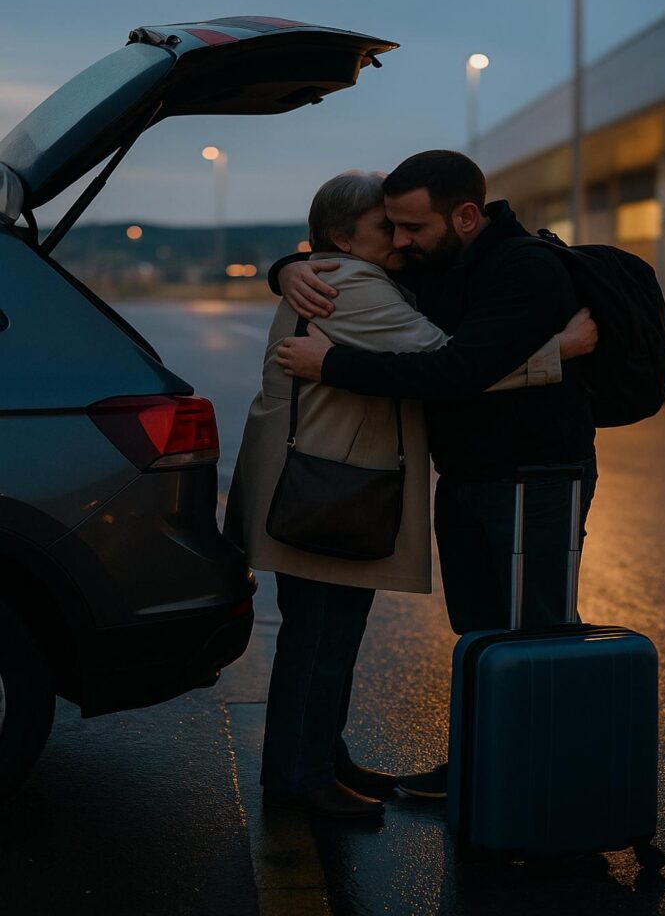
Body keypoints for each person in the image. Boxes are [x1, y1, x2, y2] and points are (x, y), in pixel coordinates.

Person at [224, 170, 597, 820]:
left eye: (403, 227)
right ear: (343, 236)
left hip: (324, 485)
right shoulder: (352, 286)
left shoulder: (341, 273)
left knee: (322, 635)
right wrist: (556, 352)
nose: (398, 240)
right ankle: (298, 779)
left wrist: (288, 265)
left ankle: (320, 759)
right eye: (384, 228)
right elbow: (451, 363)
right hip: (330, 491)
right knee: (319, 642)